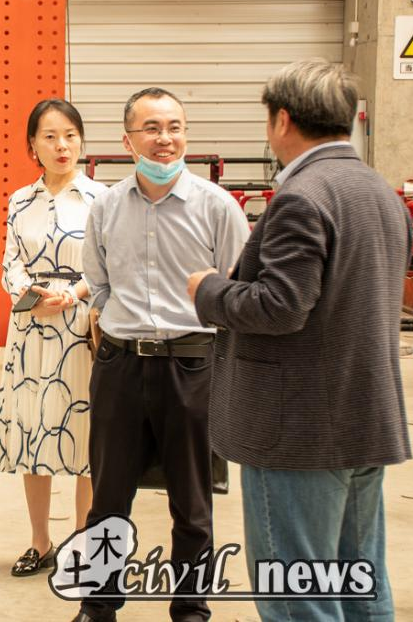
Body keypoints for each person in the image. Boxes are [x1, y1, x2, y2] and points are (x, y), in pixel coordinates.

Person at [188, 59, 412, 622]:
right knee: (361, 583)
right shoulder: (380, 193)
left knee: (298, 594)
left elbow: (280, 306)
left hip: (299, 434)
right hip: (363, 419)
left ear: (282, 119)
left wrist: (208, 289)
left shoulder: (302, 197)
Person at [75, 87, 249, 622]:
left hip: (192, 365)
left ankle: (191, 608)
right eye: (151, 128)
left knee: (193, 502)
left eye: (175, 127)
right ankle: (98, 606)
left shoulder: (217, 207)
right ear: (128, 140)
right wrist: (121, 331)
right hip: (120, 366)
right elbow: (97, 285)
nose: (165, 138)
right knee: (108, 498)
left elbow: (237, 290)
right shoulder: (106, 207)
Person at [0, 99, 106, 577]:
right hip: (30, 327)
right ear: (32, 145)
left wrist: (72, 293)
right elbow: (10, 263)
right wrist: (28, 296)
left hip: (80, 329)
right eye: (50, 136)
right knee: (32, 432)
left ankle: (82, 542)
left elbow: (107, 263)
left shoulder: (101, 199)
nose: (62, 146)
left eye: (70, 136)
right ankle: (40, 541)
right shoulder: (20, 200)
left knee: (85, 435)